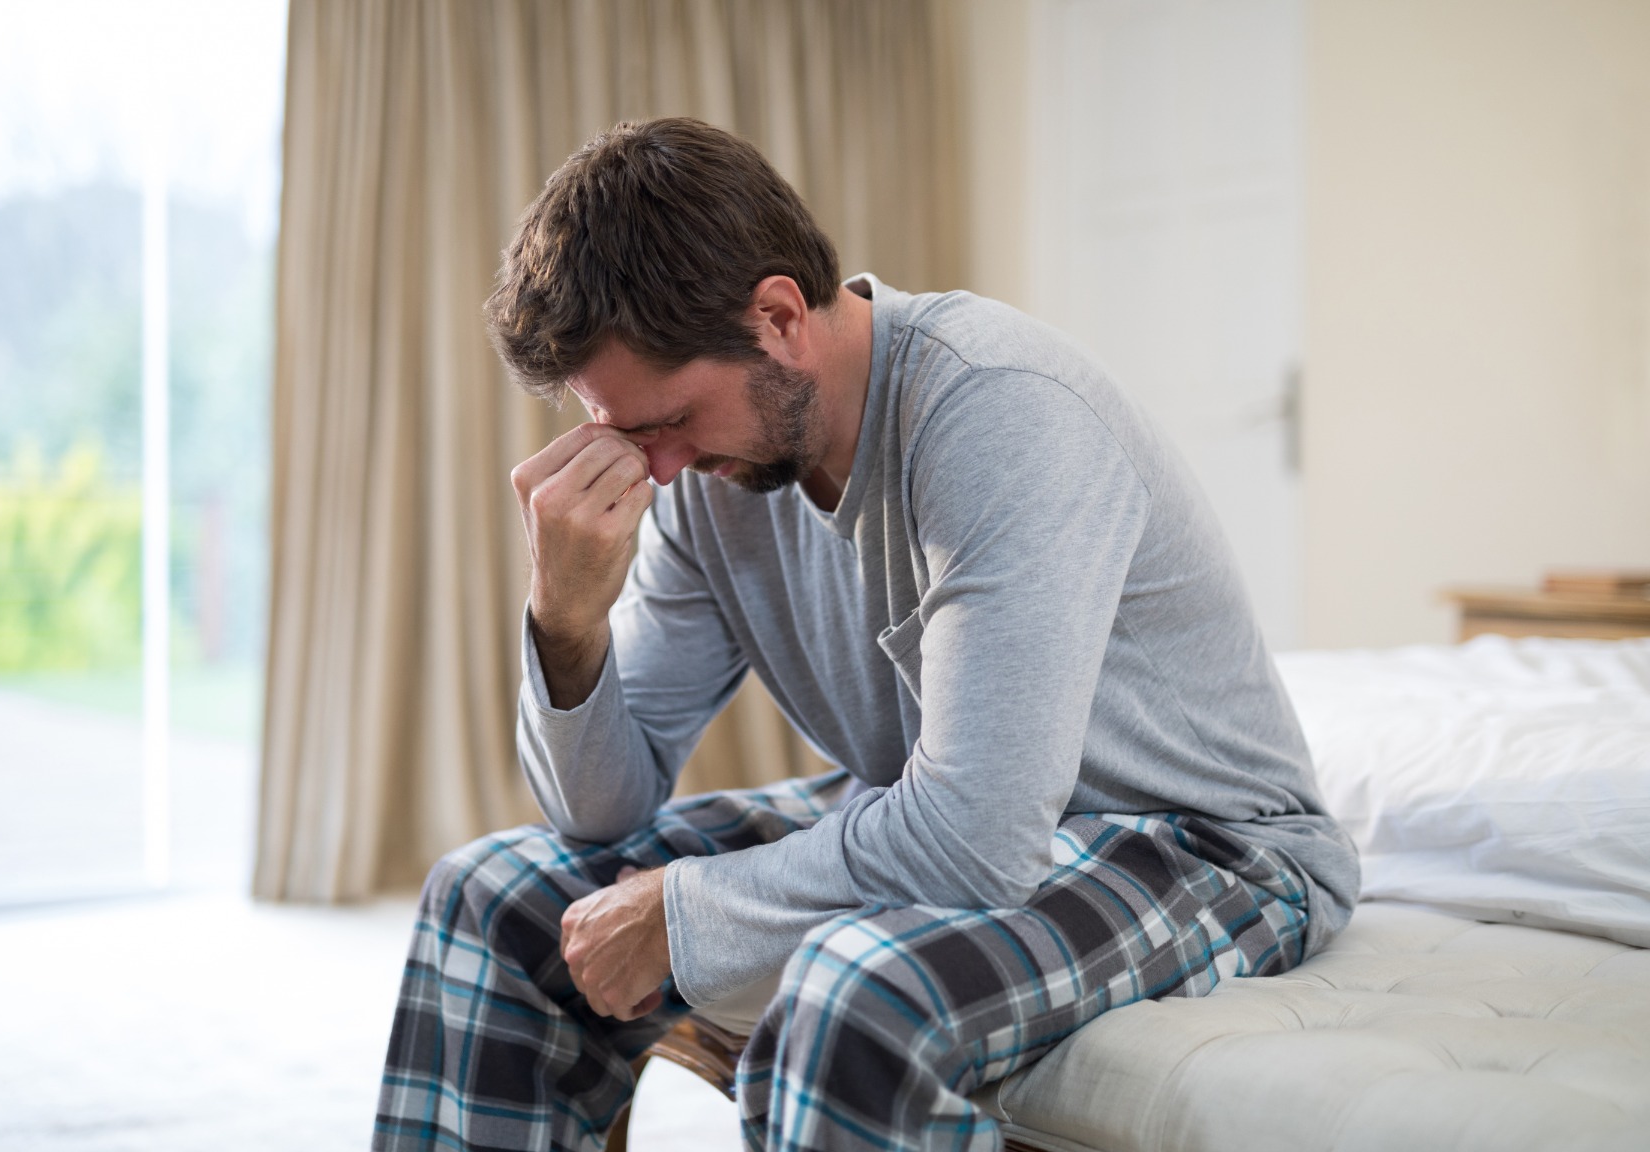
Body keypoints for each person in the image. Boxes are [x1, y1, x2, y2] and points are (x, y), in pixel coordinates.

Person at [372, 117, 1358, 1152]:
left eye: (665, 420)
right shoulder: (719, 478)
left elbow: (976, 840)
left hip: (1202, 839)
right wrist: (565, 618)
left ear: (779, 316)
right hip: (934, 807)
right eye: (626, 434)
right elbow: (602, 812)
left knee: (855, 993)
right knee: (492, 899)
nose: (653, 469)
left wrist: (686, 910)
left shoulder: (999, 414)